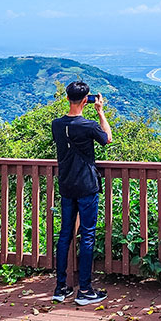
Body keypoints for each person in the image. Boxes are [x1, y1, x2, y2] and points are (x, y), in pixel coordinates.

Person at [51, 80, 112, 306]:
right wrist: (101, 112)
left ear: (67, 98)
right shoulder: (88, 125)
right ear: (86, 100)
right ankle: (85, 289)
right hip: (86, 186)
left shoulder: (57, 124)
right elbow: (107, 138)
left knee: (65, 234)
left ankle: (60, 287)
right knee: (86, 235)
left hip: (66, 186)